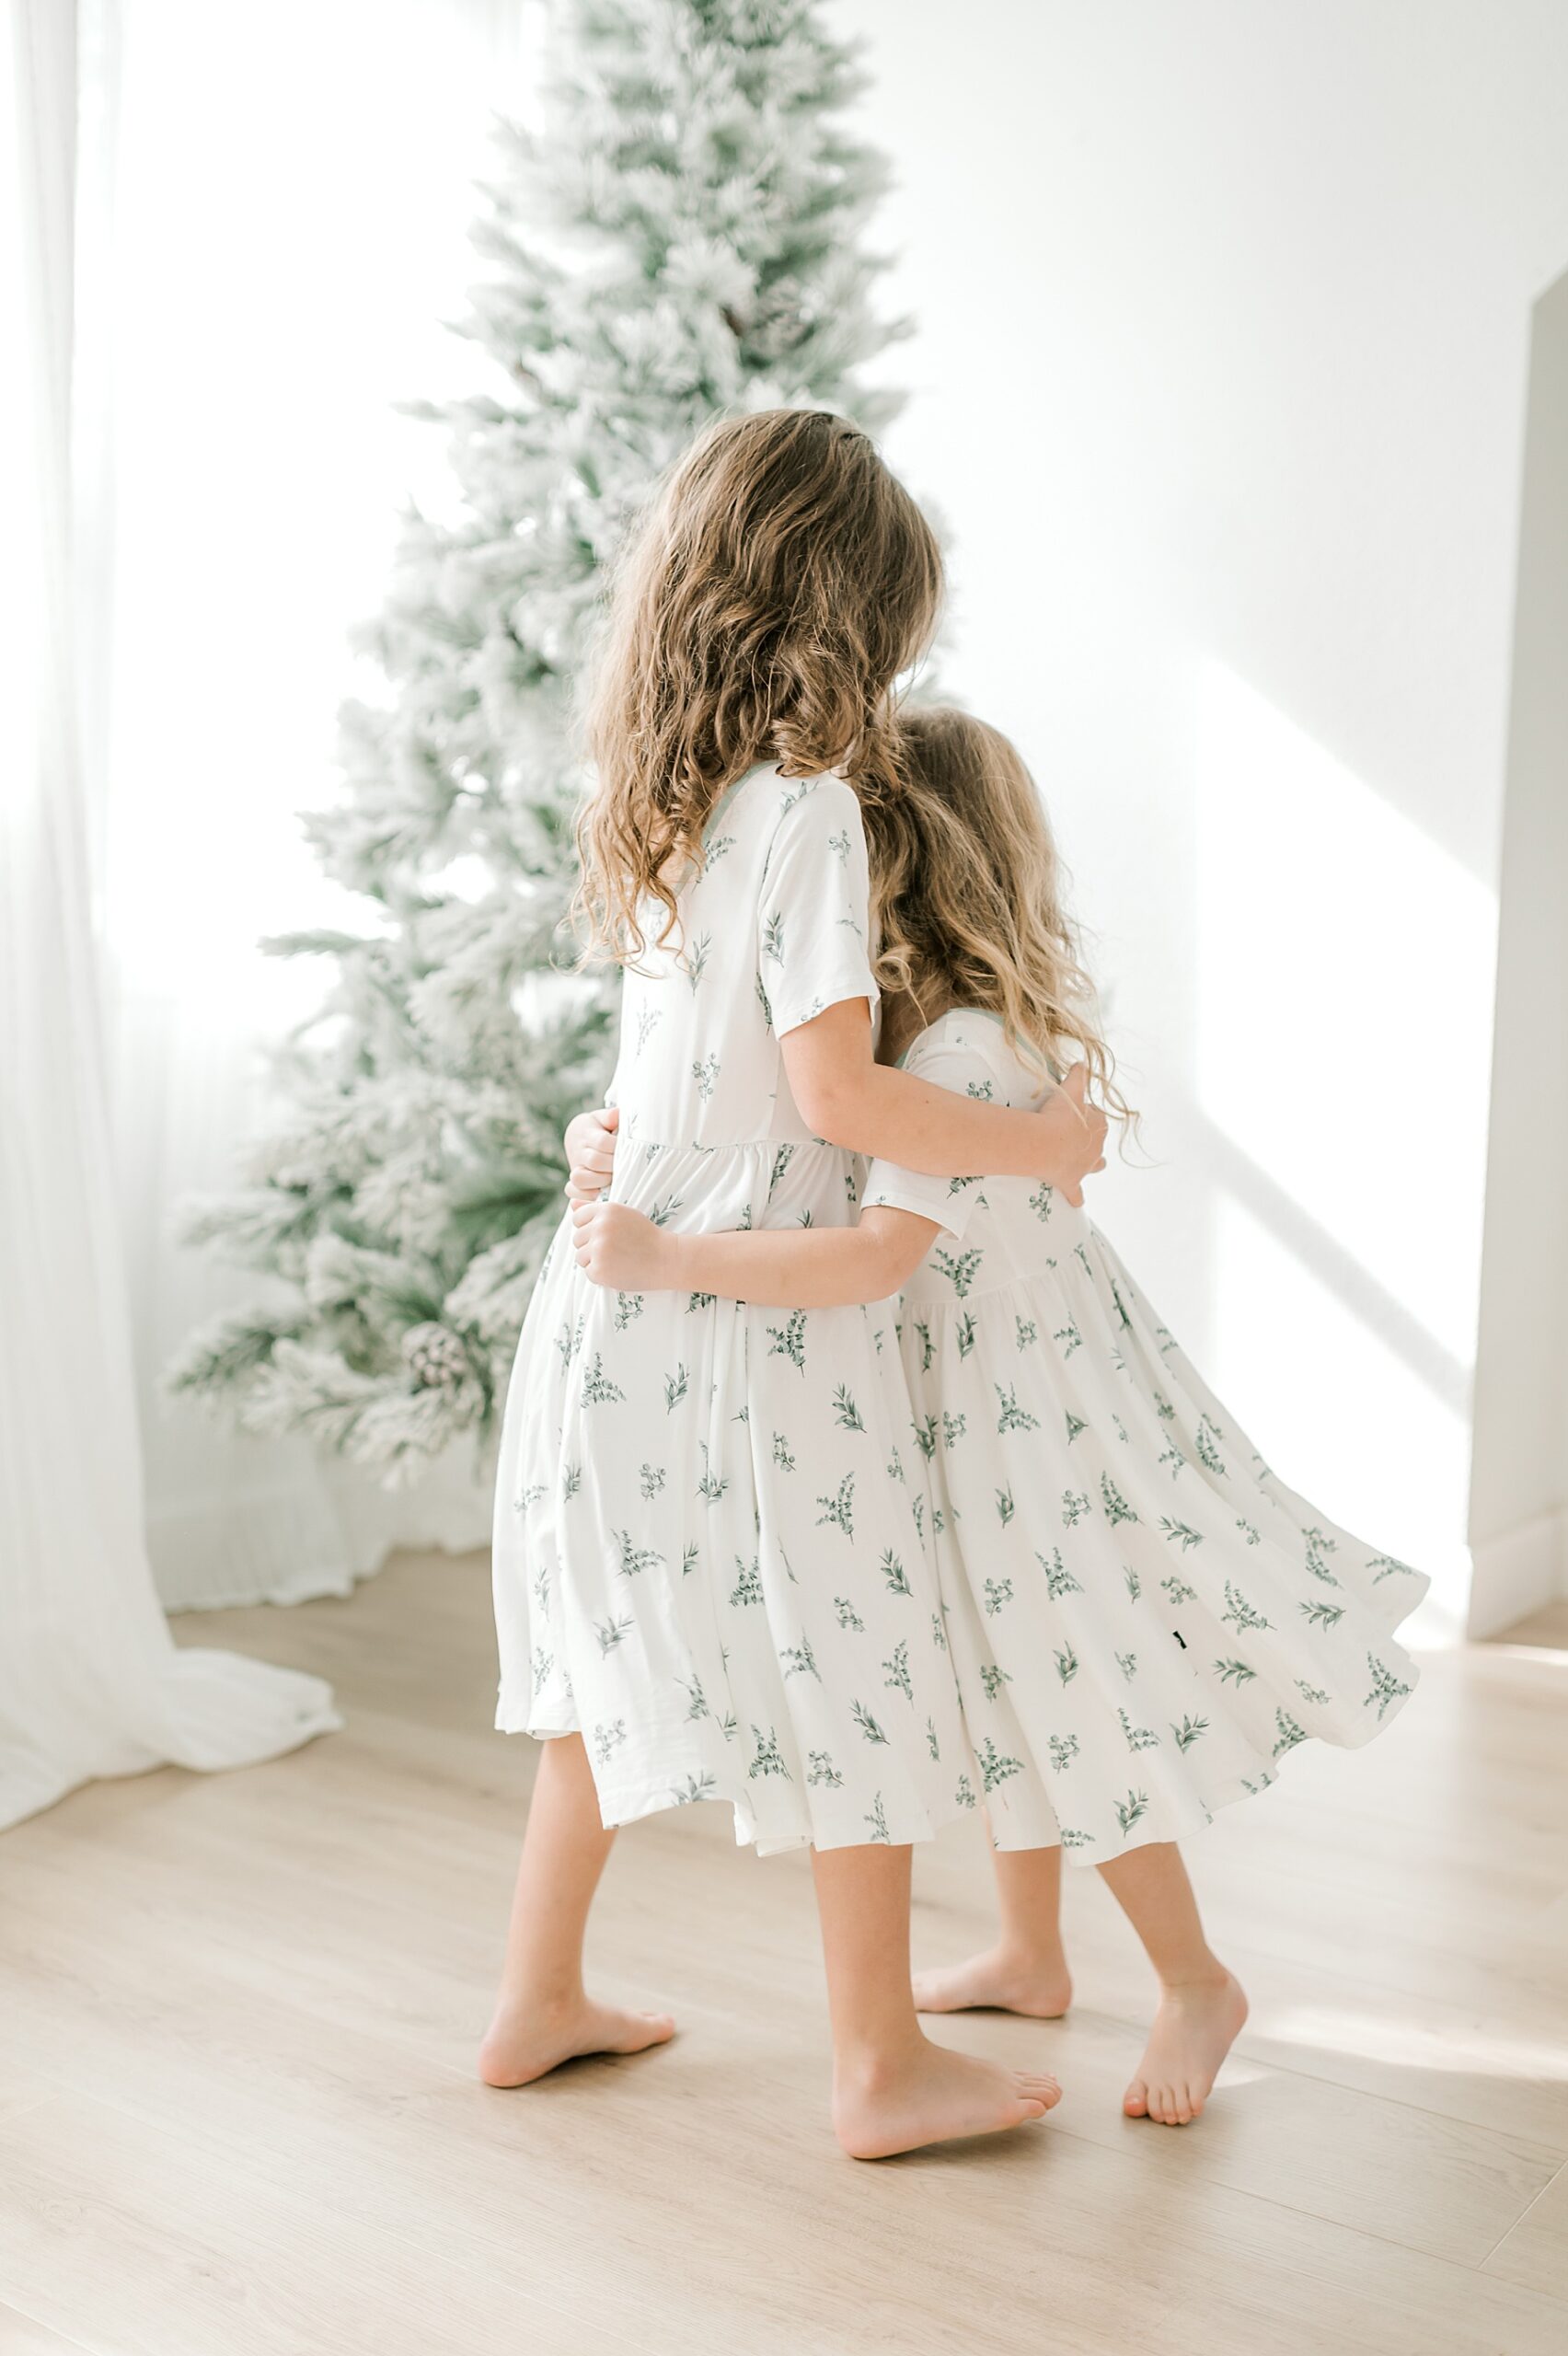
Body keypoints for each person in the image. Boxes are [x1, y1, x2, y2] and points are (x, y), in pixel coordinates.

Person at [571, 702, 1427, 2129]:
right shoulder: (971, 1041)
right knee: (998, 1689)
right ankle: (1033, 1953)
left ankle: (1197, 1978)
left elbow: (880, 1254)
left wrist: (669, 1256)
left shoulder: (946, 1062)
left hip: (1013, 1438)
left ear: (889, 871)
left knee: (1061, 1692)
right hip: (993, 1422)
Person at [484, 422, 1106, 2160]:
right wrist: (1037, 1144)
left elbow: (653, 1076)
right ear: (847, 615)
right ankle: (877, 2063)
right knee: (865, 1661)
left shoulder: (666, 801)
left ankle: (536, 1999)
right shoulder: (814, 811)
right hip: (761, 1306)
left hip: (615, 1288)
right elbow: (837, 1100)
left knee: (606, 1664)